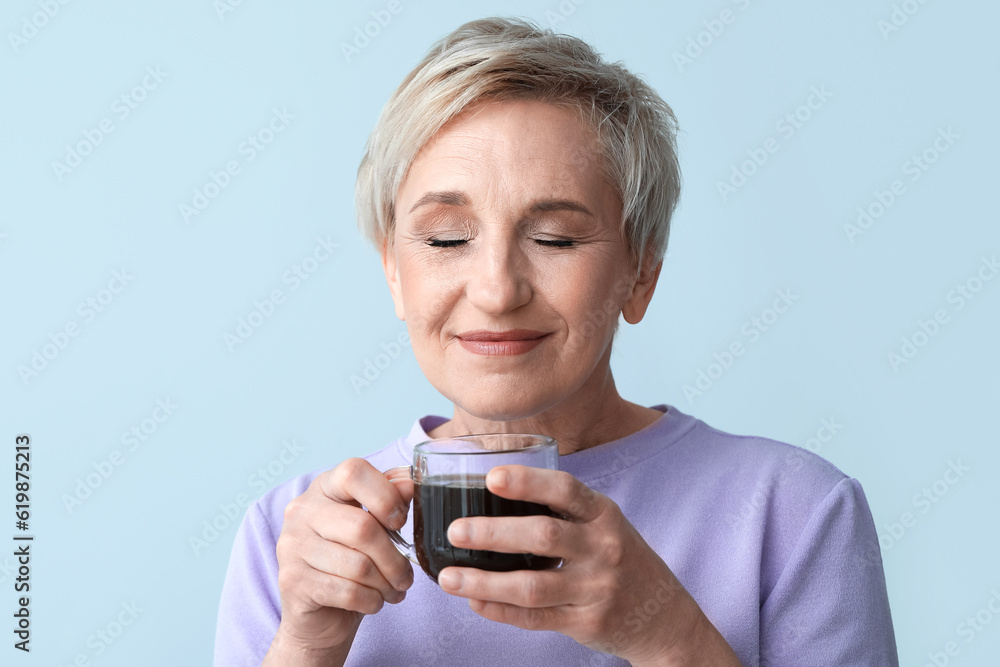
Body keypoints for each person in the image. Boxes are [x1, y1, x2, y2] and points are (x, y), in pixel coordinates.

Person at [214, 17, 898, 666]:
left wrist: (667, 633)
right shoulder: (293, 533)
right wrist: (305, 644)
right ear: (394, 271)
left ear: (641, 272)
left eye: (555, 239)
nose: (497, 289)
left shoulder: (798, 512)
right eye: (447, 238)